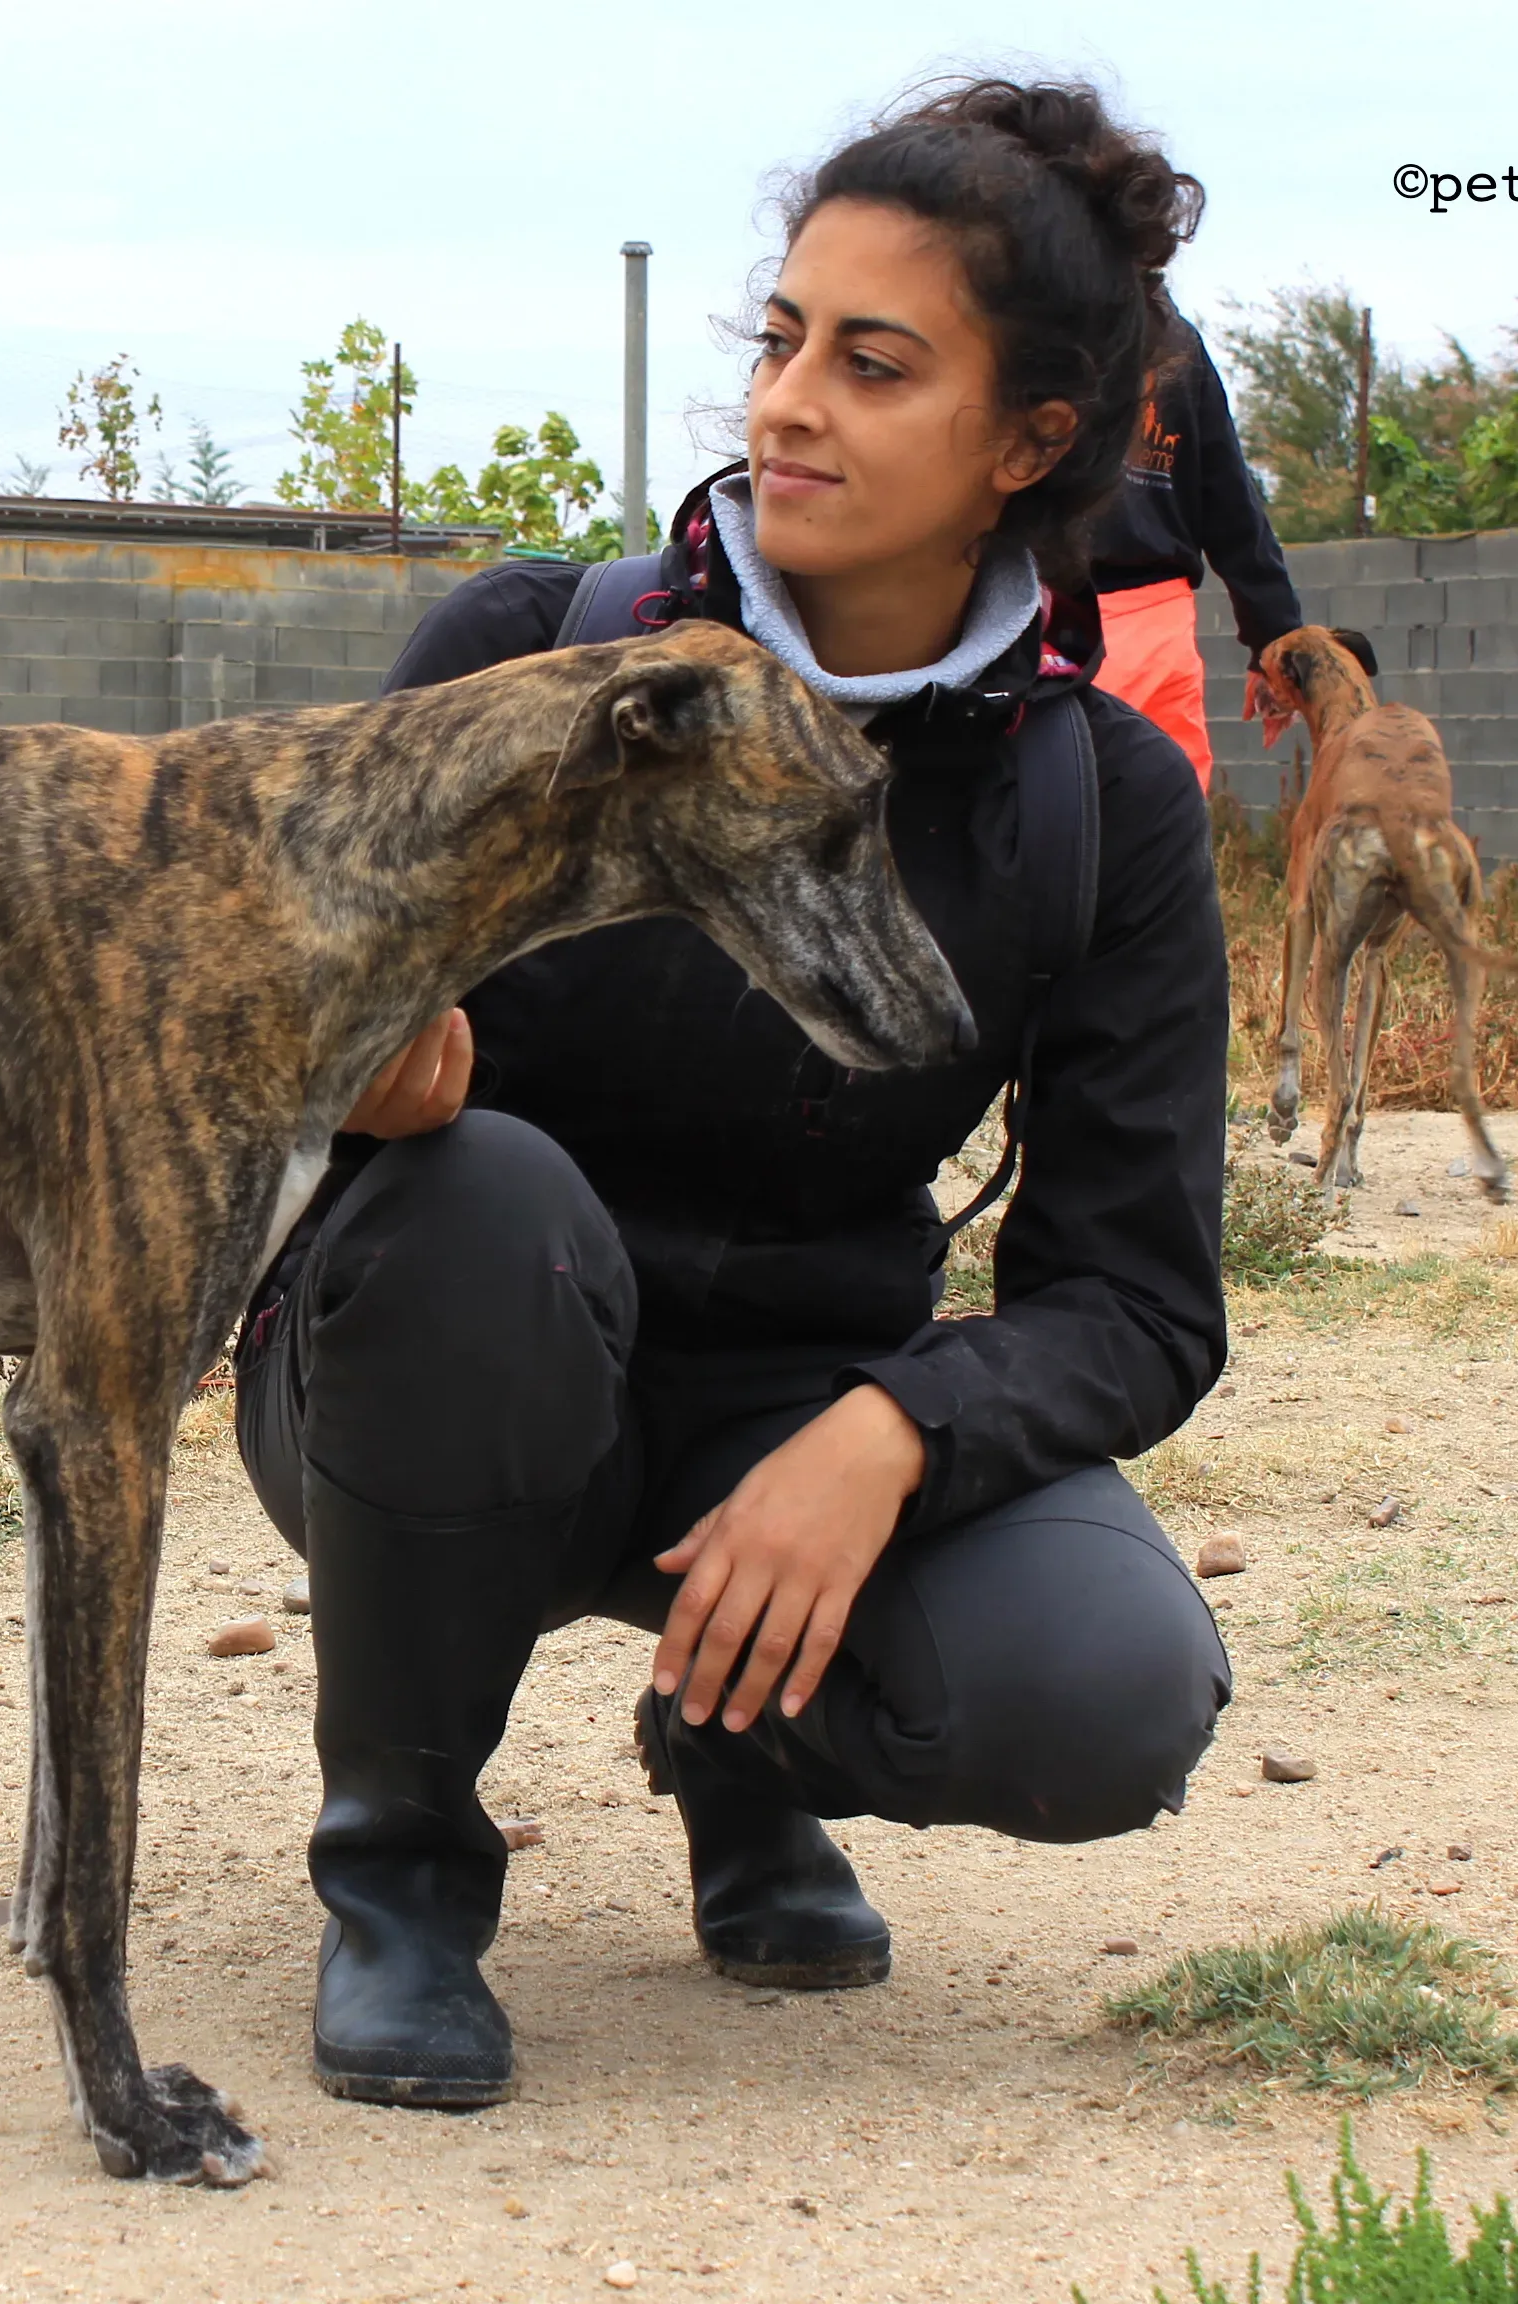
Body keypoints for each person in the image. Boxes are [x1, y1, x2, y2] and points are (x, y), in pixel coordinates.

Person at [233, 77, 1235, 2110]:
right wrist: (352, 1088)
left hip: (790, 1422)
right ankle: (406, 1869)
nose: (787, 404)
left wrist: (892, 1428)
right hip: (437, 1363)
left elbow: (1139, 1298)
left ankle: (734, 1744)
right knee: (490, 1200)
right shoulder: (533, 651)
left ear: (1030, 443)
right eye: (780, 339)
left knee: (1106, 1691)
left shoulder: (1092, 802)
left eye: (875, 365)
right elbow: (240, 1033)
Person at [1084, 313, 1304, 791]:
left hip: (1053, 628)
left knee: (1054, 831)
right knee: (1170, 823)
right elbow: (1231, 503)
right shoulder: (1175, 336)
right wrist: (1273, 639)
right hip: (1162, 630)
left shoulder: (1037, 306)